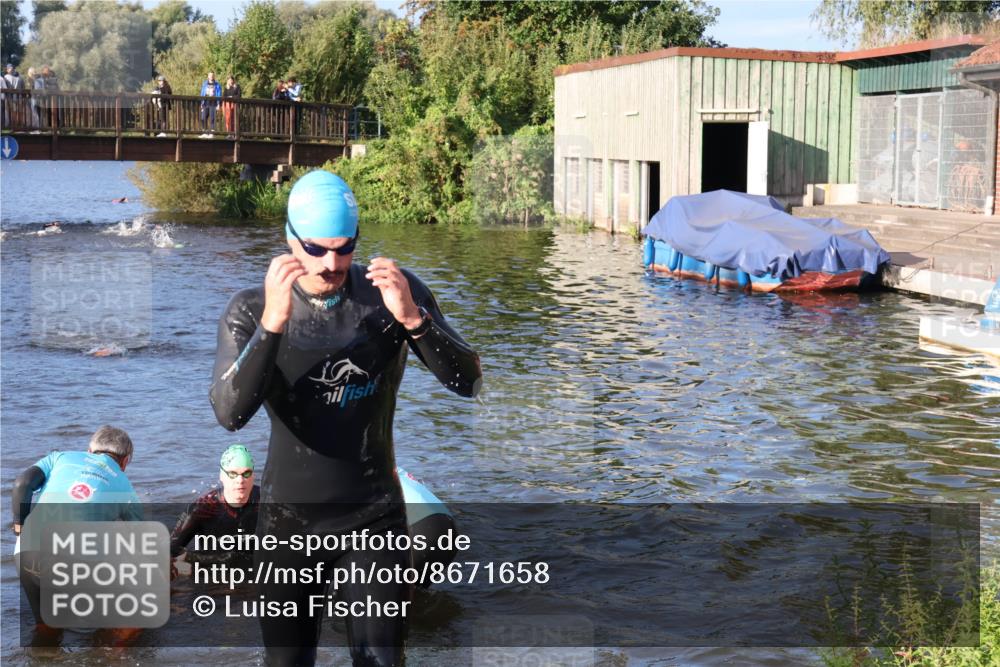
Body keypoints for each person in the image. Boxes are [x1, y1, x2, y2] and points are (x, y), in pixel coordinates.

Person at [209, 170, 482, 667]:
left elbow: (468, 381)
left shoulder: (390, 293)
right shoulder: (250, 308)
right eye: (315, 250)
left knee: (380, 661)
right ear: (290, 238)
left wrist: (413, 320)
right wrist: (272, 325)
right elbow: (230, 412)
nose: (331, 264)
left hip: (372, 516)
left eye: (344, 248)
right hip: (288, 523)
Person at [12, 426, 143, 628]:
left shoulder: (59, 458)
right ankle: (108, 655)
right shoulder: (126, 489)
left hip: (27, 551)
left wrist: (20, 525)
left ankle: (44, 654)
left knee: (46, 626)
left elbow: (22, 484)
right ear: (125, 461)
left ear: (89, 450)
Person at [170, 444, 259, 577]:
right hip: (211, 573)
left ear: (253, 476)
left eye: (246, 473)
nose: (240, 480)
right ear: (222, 476)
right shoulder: (204, 507)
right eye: (232, 474)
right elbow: (169, 552)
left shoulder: (265, 501)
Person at [199, 71, 221, 136]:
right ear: (208, 76)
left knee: (212, 118)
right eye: (210, 75)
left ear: (214, 76)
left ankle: (212, 132)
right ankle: (204, 132)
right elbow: (202, 93)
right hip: (205, 102)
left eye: (212, 75)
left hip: (213, 102)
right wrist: (201, 103)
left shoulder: (217, 84)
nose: (211, 77)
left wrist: (218, 103)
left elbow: (219, 94)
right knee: (203, 117)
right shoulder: (204, 84)